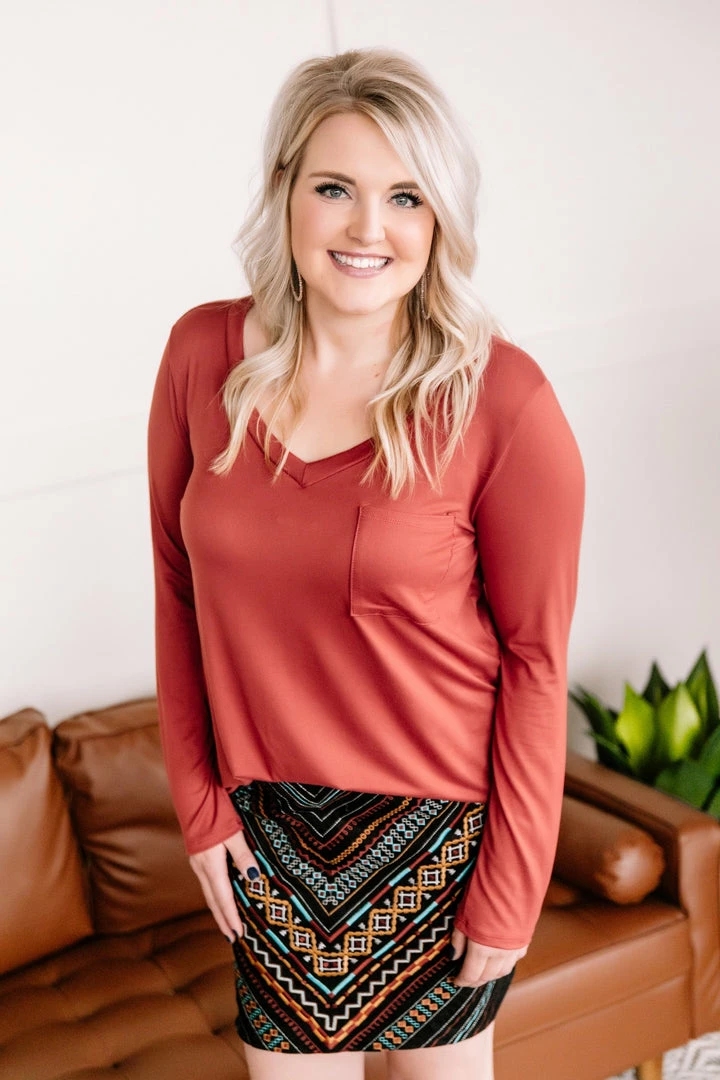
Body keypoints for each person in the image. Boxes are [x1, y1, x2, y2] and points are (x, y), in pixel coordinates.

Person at [147, 46, 585, 1080]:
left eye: (405, 197)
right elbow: (175, 589)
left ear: (439, 223)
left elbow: (535, 662)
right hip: (267, 832)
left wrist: (512, 891)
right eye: (335, 188)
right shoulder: (201, 358)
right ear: (285, 191)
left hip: (444, 837)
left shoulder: (504, 401)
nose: (367, 229)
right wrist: (199, 806)